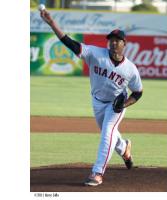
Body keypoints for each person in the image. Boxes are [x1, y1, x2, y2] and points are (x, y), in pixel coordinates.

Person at [40, 9, 143, 187]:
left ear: (124, 43)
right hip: (97, 102)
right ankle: (124, 148)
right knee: (111, 135)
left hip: (116, 105)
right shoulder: (95, 53)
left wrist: (124, 104)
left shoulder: (131, 69)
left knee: (107, 133)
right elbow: (69, 43)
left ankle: (97, 173)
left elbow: (138, 92)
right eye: (111, 40)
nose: (113, 43)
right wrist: (52, 23)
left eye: (117, 40)